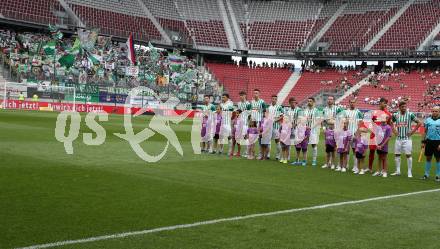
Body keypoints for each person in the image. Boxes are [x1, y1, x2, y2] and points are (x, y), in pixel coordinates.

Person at [391, 101, 422, 178]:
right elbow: (390, 122)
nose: (404, 108)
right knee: (397, 154)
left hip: (407, 139)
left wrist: (413, 131)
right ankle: (398, 171)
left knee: (408, 155)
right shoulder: (396, 115)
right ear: (399, 107)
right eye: (402, 107)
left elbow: (419, 122)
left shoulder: (410, 114)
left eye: (405, 106)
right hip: (398, 139)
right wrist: (394, 130)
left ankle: (409, 172)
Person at [368, 98, 391, 173]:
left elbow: (389, 124)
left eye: (386, 103)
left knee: (382, 153)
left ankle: (383, 170)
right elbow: (372, 122)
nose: (385, 105)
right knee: (371, 151)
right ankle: (370, 168)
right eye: (384, 103)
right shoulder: (374, 112)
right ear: (380, 103)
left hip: (382, 135)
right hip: (374, 134)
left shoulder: (388, 113)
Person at [341, 98, 363, 173]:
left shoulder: (359, 112)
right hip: (346, 135)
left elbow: (360, 124)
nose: (352, 104)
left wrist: (356, 134)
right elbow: (343, 124)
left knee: (355, 151)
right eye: (351, 102)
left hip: (355, 135)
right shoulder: (345, 112)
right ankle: (345, 166)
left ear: (355, 103)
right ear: (349, 103)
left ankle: (355, 167)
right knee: (345, 151)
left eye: (353, 102)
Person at [421, 106, 440, 181]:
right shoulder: (428, 120)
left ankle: (438, 175)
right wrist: (423, 141)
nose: (434, 112)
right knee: (428, 158)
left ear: (439, 112)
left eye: (436, 111)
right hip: (429, 141)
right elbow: (425, 132)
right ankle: (426, 174)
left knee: (438, 159)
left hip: (438, 142)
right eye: (433, 111)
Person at [303, 97, 322, 166]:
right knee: (305, 146)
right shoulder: (305, 111)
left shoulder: (317, 111)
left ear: (313, 102)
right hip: (305, 130)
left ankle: (314, 160)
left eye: (310, 101)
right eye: (308, 101)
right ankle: (304, 160)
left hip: (314, 131)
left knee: (314, 145)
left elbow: (318, 121)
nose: (309, 102)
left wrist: (311, 127)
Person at [284, 97, 302, 165]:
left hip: (297, 129)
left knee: (296, 144)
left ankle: (297, 158)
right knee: (287, 143)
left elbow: (300, 119)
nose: (294, 104)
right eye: (292, 102)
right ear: (289, 103)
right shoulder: (287, 110)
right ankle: (287, 157)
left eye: (295, 102)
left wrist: (294, 125)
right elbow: (286, 119)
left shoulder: (299, 110)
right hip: (289, 128)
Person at [250, 89, 267, 159]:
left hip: (259, 122)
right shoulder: (251, 102)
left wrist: (262, 122)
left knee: (260, 139)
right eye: (254, 93)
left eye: (256, 93)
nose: (255, 94)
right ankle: (252, 154)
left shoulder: (262, 102)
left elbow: (265, 112)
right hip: (253, 123)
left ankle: (260, 154)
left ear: (259, 94)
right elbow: (250, 112)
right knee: (252, 139)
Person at [268, 95, 284, 160]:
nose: (274, 100)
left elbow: (282, 116)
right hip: (269, 127)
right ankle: (268, 154)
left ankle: (278, 155)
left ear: (276, 100)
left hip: (276, 127)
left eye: (275, 99)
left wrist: (275, 120)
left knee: (277, 141)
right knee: (268, 141)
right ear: (271, 99)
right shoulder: (268, 107)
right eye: (273, 99)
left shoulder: (279, 107)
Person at [236, 91, 251, 158]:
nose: (241, 96)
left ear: (245, 96)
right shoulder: (238, 104)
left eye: (242, 95)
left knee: (245, 138)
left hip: (245, 124)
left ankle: (247, 152)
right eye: (240, 95)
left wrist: (249, 124)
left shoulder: (248, 104)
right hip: (239, 124)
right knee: (239, 138)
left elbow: (250, 114)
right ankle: (239, 152)